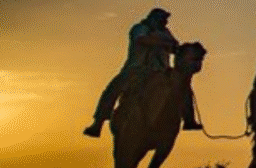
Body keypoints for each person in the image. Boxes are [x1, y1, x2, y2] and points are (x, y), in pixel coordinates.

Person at [83, 8, 200, 137]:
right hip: (137, 69)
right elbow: (141, 40)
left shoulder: (165, 32)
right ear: (154, 18)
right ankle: (98, 123)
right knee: (114, 88)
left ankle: (189, 120)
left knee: (183, 86)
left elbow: (174, 47)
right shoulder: (140, 28)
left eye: (165, 20)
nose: (165, 23)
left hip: (162, 70)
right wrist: (163, 43)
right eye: (163, 19)